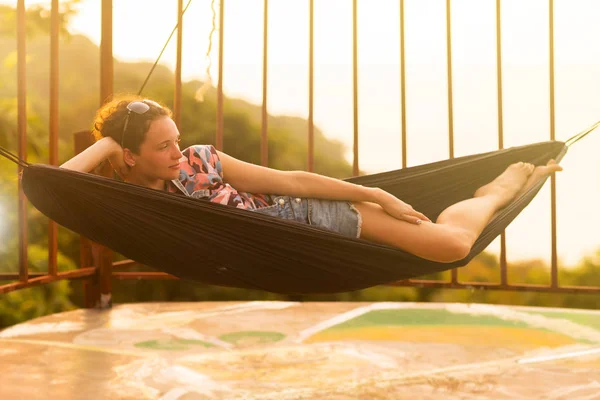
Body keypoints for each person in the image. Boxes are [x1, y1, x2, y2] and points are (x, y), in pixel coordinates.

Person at [61, 97, 563, 263]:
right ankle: (489, 194)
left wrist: (370, 191)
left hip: (307, 219)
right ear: (128, 157)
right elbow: (57, 185)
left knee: (452, 246)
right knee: (446, 242)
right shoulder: (126, 199)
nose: (177, 152)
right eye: (163, 146)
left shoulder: (201, 160)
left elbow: (292, 181)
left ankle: (492, 191)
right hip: (274, 245)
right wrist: (106, 144)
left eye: (176, 138)